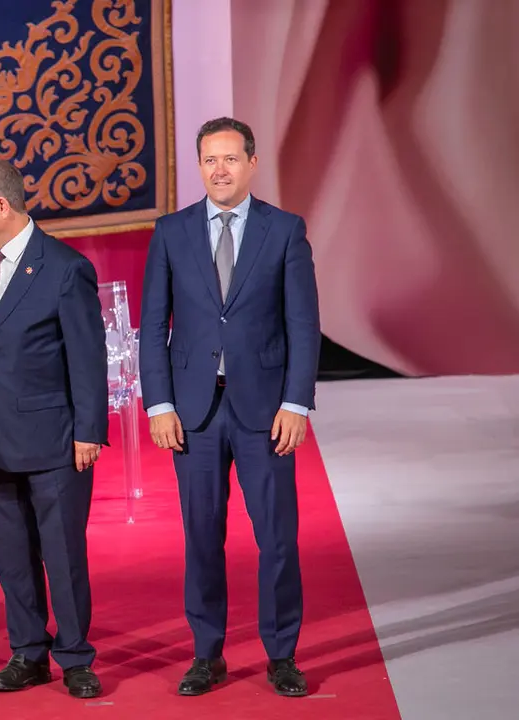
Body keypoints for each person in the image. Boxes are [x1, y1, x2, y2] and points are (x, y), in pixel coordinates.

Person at [138, 117, 321, 697]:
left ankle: (282, 655)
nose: (219, 169)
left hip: (265, 410)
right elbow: (151, 327)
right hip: (192, 412)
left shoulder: (285, 230)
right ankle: (206, 654)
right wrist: (159, 404)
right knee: (201, 537)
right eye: (209, 160)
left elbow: (303, 325)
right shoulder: (170, 231)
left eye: (230, 159)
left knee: (278, 538)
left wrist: (296, 402)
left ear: (252, 163)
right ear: (199, 166)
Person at [0, 158, 107, 700]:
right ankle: (27, 652)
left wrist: (89, 432)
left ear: (1, 205)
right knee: (10, 552)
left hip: (54, 440)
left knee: (62, 553)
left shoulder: (65, 268)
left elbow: (88, 358)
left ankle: (75, 657)